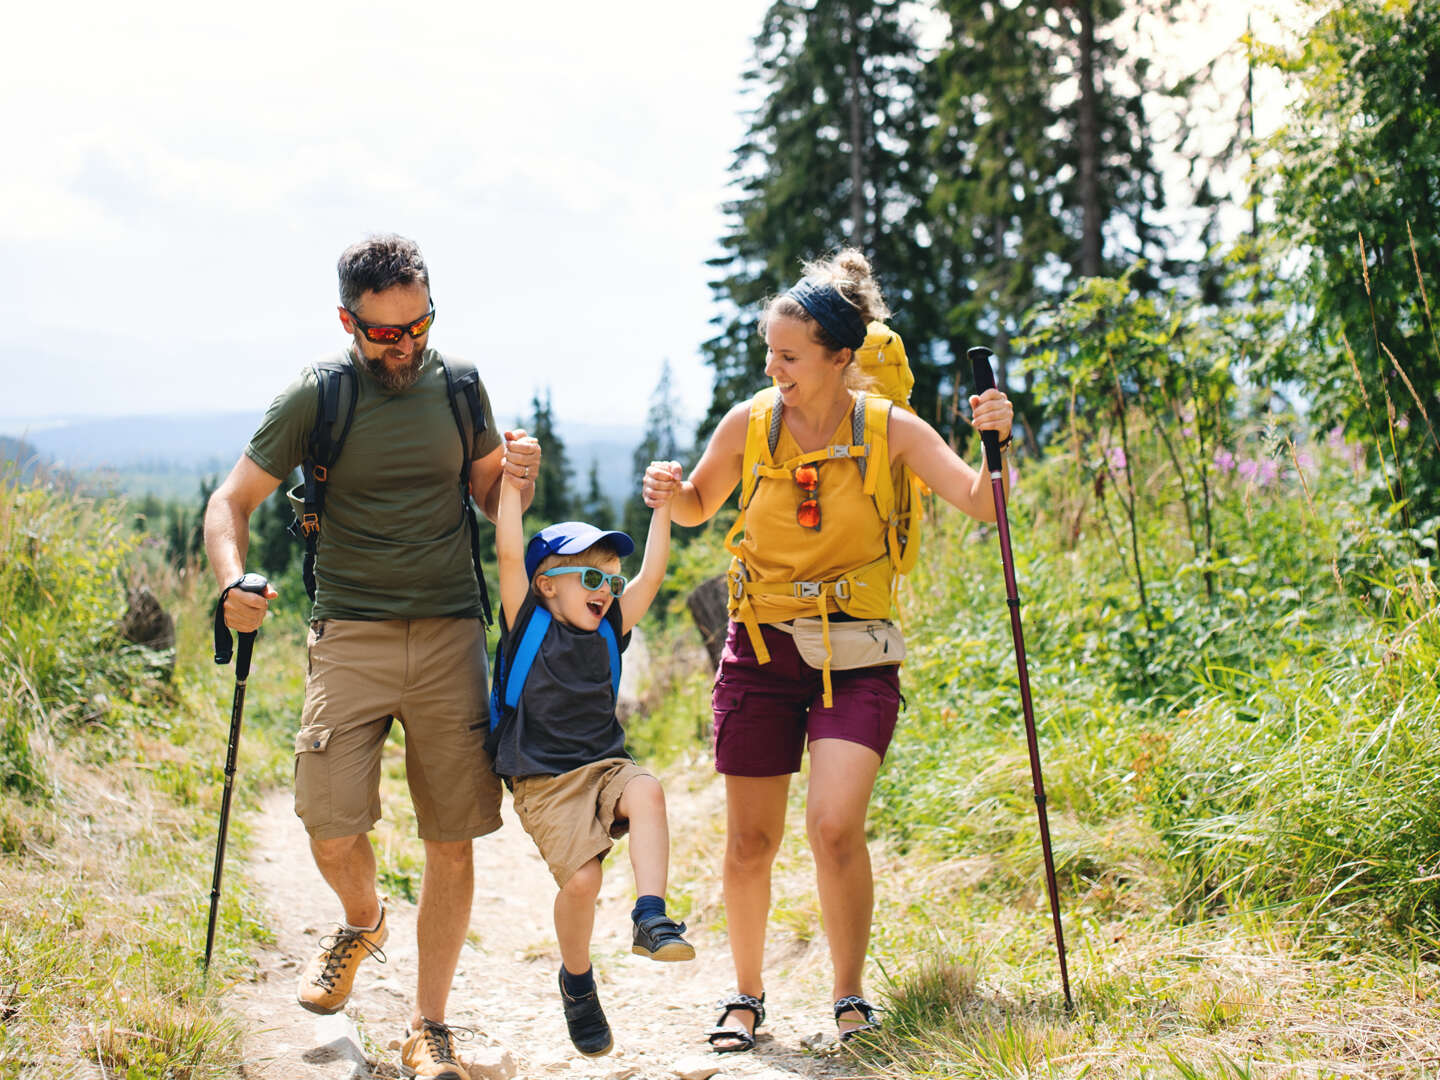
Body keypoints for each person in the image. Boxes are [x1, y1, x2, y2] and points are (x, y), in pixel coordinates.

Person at [646, 248, 1015, 1052]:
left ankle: (849, 996)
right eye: (769, 353)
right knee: (751, 842)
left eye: (788, 355)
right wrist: (673, 496)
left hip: (856, 654)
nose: (773, 368)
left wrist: (998, 441)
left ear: (839, 358)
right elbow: (704, 504)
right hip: (762, 649)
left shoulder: (892, 429)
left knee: (834, 825)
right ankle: (745, 995)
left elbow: (983, 504)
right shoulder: (752, 422)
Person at [204, 234, 539, 1080]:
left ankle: (431, 1025)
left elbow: (487, 494)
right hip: (347, 629)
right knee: (326, 817)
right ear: (347, 321)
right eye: (384, 333)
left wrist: (517, 482)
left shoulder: (458, 385)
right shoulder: (317, 396)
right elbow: (230, 500)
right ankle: (363, 918)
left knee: (451, 836)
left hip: (450, 631)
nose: (404, 345)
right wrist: (233, 578)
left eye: (417, 325)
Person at [489, 444, 693, 1058]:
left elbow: (651, 576)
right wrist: (509, 482)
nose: (606, 588)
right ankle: (577, 982)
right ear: (546, 583)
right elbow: (505, 550)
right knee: (582, 881)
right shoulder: (529, 622)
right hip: (542, 779)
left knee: (648, 788)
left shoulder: (609, 628)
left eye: (611, 579)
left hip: (604, 765)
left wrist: (663, 507)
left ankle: (651, 916)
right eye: (590, 576)